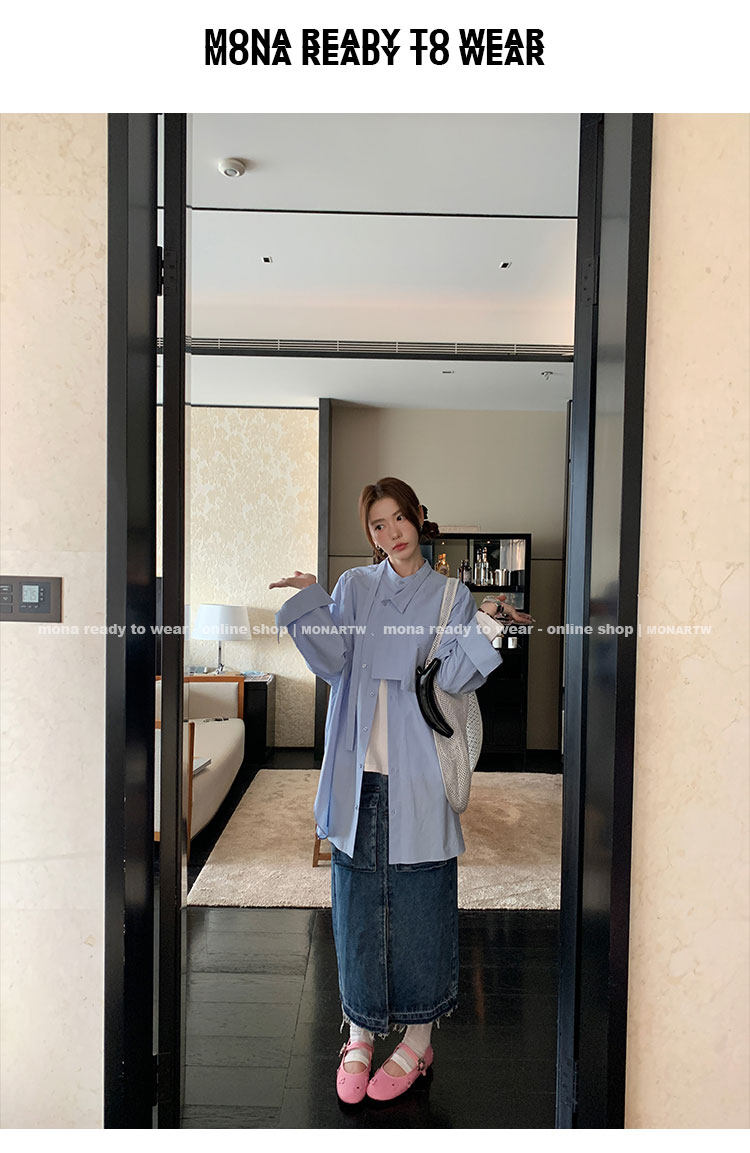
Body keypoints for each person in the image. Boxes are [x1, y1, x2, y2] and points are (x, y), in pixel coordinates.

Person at [270, 477, 534, 1105]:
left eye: (398, 519)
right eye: (377, 526)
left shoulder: (451, 595)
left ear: (417, 518)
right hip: (357, 769)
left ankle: (418, 1040)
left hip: (421, 770)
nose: (391, 534)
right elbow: (333, 662)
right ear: (370, 536)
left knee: (422, 905)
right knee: (356, 906)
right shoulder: (354, 587)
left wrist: (486, 623)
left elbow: (457, 678)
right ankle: (360, 1034)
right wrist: (310, 600)